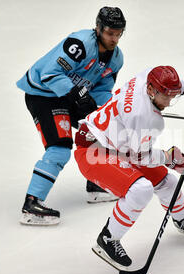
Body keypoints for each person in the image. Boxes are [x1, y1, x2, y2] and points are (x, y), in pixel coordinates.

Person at [74, 66, 184, 269]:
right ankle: (108, 239)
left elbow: (170, 83)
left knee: (168, 182)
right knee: (140, 189)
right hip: (92, 150)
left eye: (173, 95)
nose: (169, 102)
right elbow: (141, 156)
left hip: (118, 142)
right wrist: (172, 159)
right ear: (151, 91)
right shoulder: (144, 118)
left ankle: (182, 220)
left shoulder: (147, 78)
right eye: (166, 97)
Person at [16, 7, 126, 226]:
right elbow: (50, 73)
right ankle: (31, 204)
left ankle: (96, 184)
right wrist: (77, 92)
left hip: (70, 95)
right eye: (109, 33)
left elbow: (103, 88)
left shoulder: (116, 59)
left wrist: (107, 110)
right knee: (60, 147)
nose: (114, 38)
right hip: (44, 94)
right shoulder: (80, 44)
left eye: (118, 33)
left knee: (103, 129)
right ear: (98, 28)